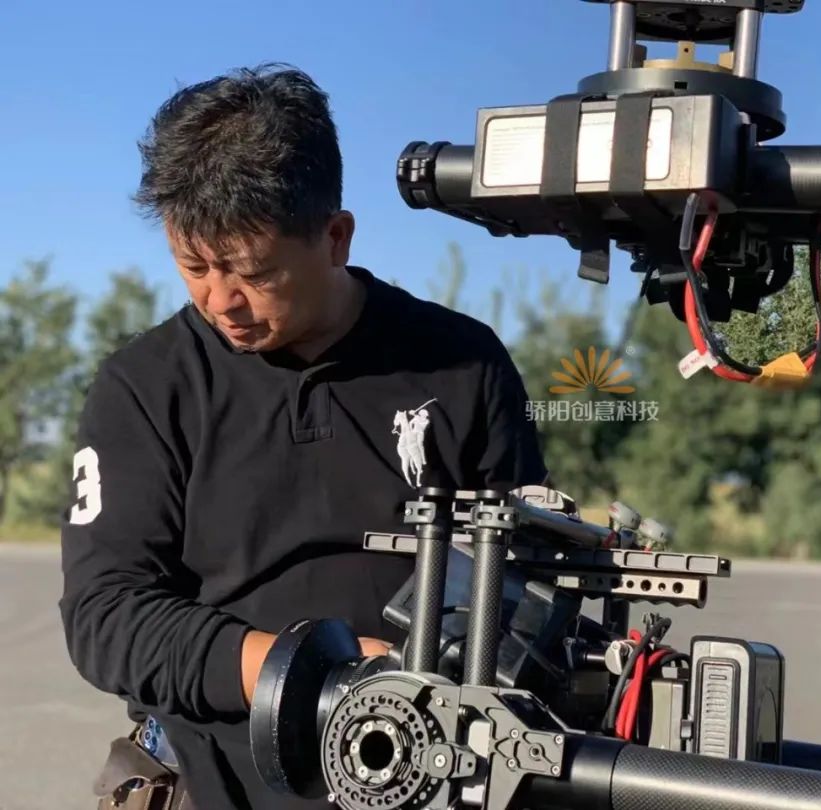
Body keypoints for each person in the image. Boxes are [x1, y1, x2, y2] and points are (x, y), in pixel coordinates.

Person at [58, 63, 549, 809]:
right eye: (193, 265)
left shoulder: (462, 365)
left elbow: (524, 583)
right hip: (208, 779)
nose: (220, 300)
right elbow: (105, 616)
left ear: (335, 237)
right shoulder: (146, 386)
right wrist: (309, 672)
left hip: (423, 779)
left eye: (252, 273)